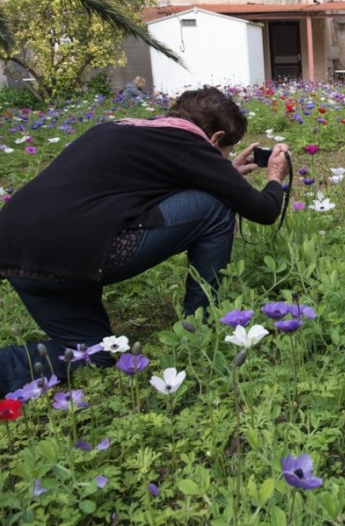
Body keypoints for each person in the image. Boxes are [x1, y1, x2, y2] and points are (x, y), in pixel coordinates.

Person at [0, 87, 291, 396]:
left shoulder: (118, 128)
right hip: (74, 252)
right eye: (226, 151)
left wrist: (223, 173)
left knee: (95, 356)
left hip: (16, 251)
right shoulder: (191, 144)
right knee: (216, 208)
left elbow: (132, 187)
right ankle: (200, 328)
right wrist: (274, 176)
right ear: (216, 138)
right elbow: (263, 211)